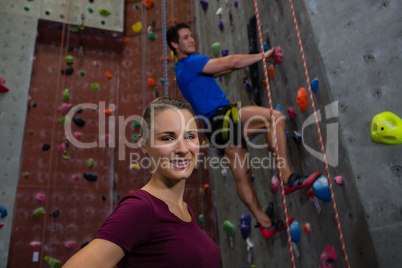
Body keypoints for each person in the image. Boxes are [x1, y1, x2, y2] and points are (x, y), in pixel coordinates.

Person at [167, 23, 320, 239]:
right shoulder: (190, 63)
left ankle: (265, 223)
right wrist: (262, 55)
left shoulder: (181, 71)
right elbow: (232, 61)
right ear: (175, 44)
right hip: (223, 118)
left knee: (243, 175)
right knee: (274, 118)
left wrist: (252, 61)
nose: (191, 40)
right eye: (185, 38)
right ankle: (286, 177)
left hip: (213, 129)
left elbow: (226, 68)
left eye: (191, 36)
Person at [63, 97, 220, 267]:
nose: (183, 149)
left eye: (190, 136)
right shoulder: (141, 209)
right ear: (143, 144)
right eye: (167, 138)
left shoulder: (183, 209)